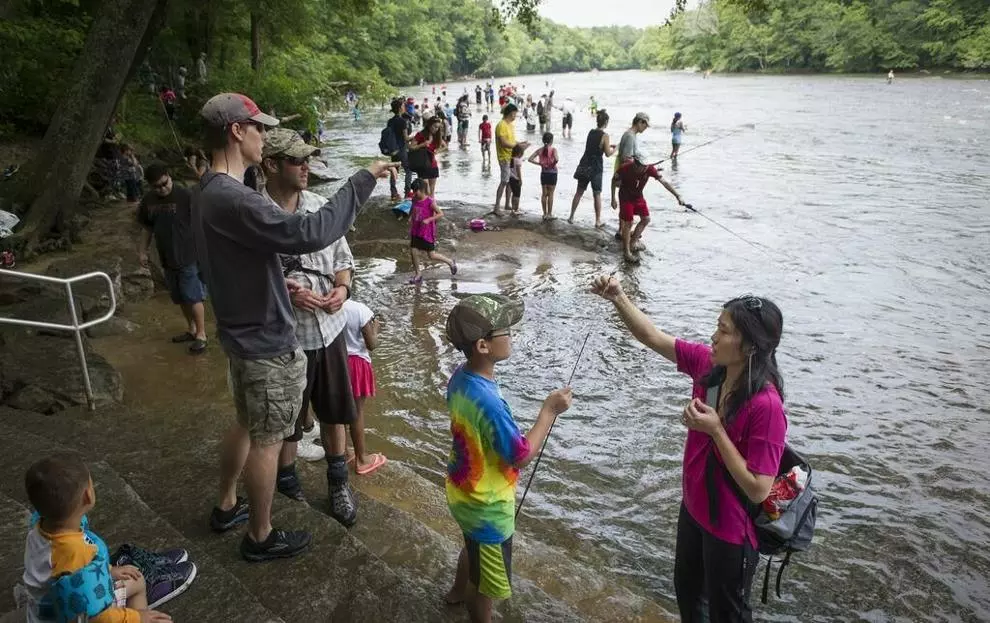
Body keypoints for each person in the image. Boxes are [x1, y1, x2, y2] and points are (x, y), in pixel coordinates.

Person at [192, 92, 393, 562]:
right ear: (236, 131)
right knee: (267, 439)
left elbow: (222, 262)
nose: (263, 136)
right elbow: (309, 233)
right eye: (258, 128)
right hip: (266, 340)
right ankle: (260, 535)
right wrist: (365, 178)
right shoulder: (236, 197)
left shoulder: (205, 191)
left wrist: (275, 278)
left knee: (246, 423)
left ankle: (226, 505)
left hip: (239, 332)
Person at [590, 276, 788, 623]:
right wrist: (618, 297)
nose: (714, 336)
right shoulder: (710, 367)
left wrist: (715, 431)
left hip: (730, 530)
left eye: (724, 331)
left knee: (727, 615)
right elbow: (652, 337)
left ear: (750, 346)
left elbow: (758, 489)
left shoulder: (766, 406)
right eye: (717, 326)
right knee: (689, 599)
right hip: (694, 512)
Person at [442, 294, 573, 623]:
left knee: (472, 547)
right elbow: (519, 455)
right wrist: (549, 411)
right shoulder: (489, 401)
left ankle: (456, 592)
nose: (511, 335)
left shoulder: (461, 377)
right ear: (483, 346)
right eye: (506, 331)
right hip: (486, 507)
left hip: (462, 492)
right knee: (487, 584)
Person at [258, 128, 360, 524]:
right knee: (288, 419)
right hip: (286, 338)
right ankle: (287, 482)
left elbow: (343, 259)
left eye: (307, 159)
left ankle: (338, 484)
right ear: (270, 165)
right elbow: (245, 281)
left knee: (334, 412)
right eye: (296, 160)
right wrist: (286, 295)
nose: (306, 167)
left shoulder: (321, 207)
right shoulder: (256, 216)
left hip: (330, 330)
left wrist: (343, 289)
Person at [20, 453, 195, 622]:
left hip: (45, 611)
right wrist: (137, 617)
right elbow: (97, 616)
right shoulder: (74, 554)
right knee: (138, 581)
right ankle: (142, 611)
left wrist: (110, 570)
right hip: (76, 615)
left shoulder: (41, 527)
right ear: (88, 496)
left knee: (133, 577)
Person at [137, 162, 208, 355]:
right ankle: (191, 329)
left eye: (164, 183)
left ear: (169, 176)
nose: (162, 189)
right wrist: (142, 251)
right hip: (166, 257)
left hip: (189, 255)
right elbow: (147, 228)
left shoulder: (186, 195)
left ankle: (202, 334)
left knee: (193, 295)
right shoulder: (148, 201)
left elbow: (202, 223)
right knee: (179, 297)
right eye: (156, 187)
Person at [341, 298, 386, 475]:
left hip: (337, 362)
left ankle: (343, 452)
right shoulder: (360, 309)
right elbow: (372, 345)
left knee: (339, 410)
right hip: (357, 365)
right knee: (357, 412)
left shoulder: (327, 306)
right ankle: (362, 459)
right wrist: (376, 328)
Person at [611, 157, 685, 263]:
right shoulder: (625, 168)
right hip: (625, 197)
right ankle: (626, 252)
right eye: (643, 166)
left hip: (638, 197)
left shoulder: (649, 168)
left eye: (647, 166)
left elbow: (664, 182)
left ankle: (633, 243)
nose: (646, 168)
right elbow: (614, 180)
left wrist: (678, 196)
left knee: (646, 219)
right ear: (636, 164)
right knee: (629, 222)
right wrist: (613, 198)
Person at [568, 109, 616, 228]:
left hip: (585, 163)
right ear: (606, 122)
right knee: (597, 194)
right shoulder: (605, 135)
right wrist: (616, 148)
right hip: (596, 167)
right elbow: (608, 154)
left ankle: (571, 216)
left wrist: (607, 146)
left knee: (579, 192)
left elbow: (593, 146)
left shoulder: (591, 132)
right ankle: (598, 220)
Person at [408, 178, 457, 284]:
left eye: (416, 191)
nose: (414, 193)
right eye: (413, 191)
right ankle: (418, 274)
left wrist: (429, 219)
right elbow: (412, 208)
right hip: (416, 230)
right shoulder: (414, 199)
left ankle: (450, 262)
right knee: (413, 251)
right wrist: (410, 216)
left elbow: (440, 213)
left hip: (426, 232)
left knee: (431, 255)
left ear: (422, 190)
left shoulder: (430, 201)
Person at [494, 104, 529, 216]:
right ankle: (496, 206)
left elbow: (512, 141)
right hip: (504, 157)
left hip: (511, 157)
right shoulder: (501, 125)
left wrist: (520, 144)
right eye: (515, 113)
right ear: (511, 113)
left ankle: (507, 204)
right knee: (504, 181)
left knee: (510, 181)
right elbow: (504, 143)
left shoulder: (510, 125)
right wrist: (517, 146)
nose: (516, 115)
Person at [409, 116, 445, 197]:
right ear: (429, 125)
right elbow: (411, 147)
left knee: (431, 192)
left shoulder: (437, 136)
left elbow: (444, 146)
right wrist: (422, 144)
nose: (436, 129)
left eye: (438, 127)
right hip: (422, 165)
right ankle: (425, 206)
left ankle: (431, 209)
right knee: (426, 190)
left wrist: (436, 152)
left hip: (433, 165)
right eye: (435, 126)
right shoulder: (420, 134)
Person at [386, 98, 413, 202]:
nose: (404, 107)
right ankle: (407, 193)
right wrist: (415, 136)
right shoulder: (402, 121)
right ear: (400, 108)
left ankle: (393, 193)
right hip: (401, 148)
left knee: (394, 170)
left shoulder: (390, 121)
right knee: (408, 170)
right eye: (403, 106)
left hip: (393, 149)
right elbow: (406, 138)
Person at [528, 132, 558, 221]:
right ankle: (549, 214)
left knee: (544, 194)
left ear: (543, 140)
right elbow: (556, 159)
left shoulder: (539, 150)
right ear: (551, 141)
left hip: (544, 173)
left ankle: (544, 214)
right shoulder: (553, 150)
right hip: (552, 173)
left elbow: (530, 159)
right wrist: (553, 164)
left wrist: (540, 164)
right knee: (551, 194)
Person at [506, 144, 525, 215]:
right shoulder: (518, 160)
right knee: (517, 195)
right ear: (519, 153)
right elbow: (518, 171)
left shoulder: (511, 159)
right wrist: (520, 179)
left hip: (511, 179)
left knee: (513, 194)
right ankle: (516, 209)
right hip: (516, 179)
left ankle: (513, 209)